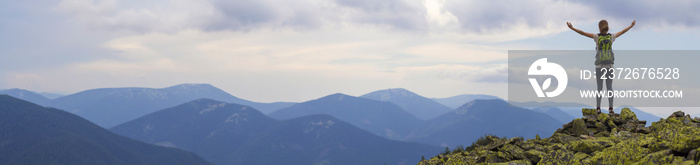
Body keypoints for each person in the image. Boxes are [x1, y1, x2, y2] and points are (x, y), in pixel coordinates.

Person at [567, 20, 635, 114]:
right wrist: (631, 26)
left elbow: (583, 33)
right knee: (609, 87)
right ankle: (611, 108)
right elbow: (623, 31)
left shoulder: (596, 37)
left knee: (599, 87)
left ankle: (598, 108)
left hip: (599, 66)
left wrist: (572, 28)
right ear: (607, 26)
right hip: (610, 66)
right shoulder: (611, 36)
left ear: (599, 27)